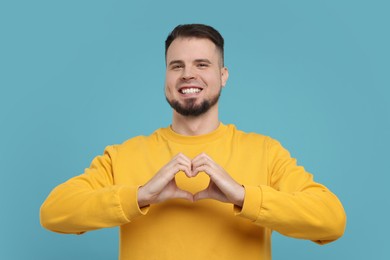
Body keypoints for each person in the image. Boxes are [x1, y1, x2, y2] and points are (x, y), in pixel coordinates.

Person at [40, 24, 346, 259]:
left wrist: (243, 197)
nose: (188, 75)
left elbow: (331, 220)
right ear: (166, 76)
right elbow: (53, 212)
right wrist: (141, 196)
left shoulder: (265, 152)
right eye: (177, 66)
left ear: (223, 75)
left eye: (202, 64)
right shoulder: (123, 155)